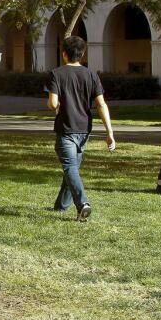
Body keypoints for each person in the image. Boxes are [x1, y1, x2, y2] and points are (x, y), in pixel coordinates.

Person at [45, 35, 116, 221]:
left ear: (64, 54)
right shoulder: (91, 75)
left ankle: (82, 204)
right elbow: (101, 104)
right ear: (82, 54)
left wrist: (57, 105)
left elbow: (52, 104)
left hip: (66, 129)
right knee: (72, 168)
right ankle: (60, 207)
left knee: (70, 168)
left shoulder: (56, 74)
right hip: (84, 131)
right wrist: (110, 132)